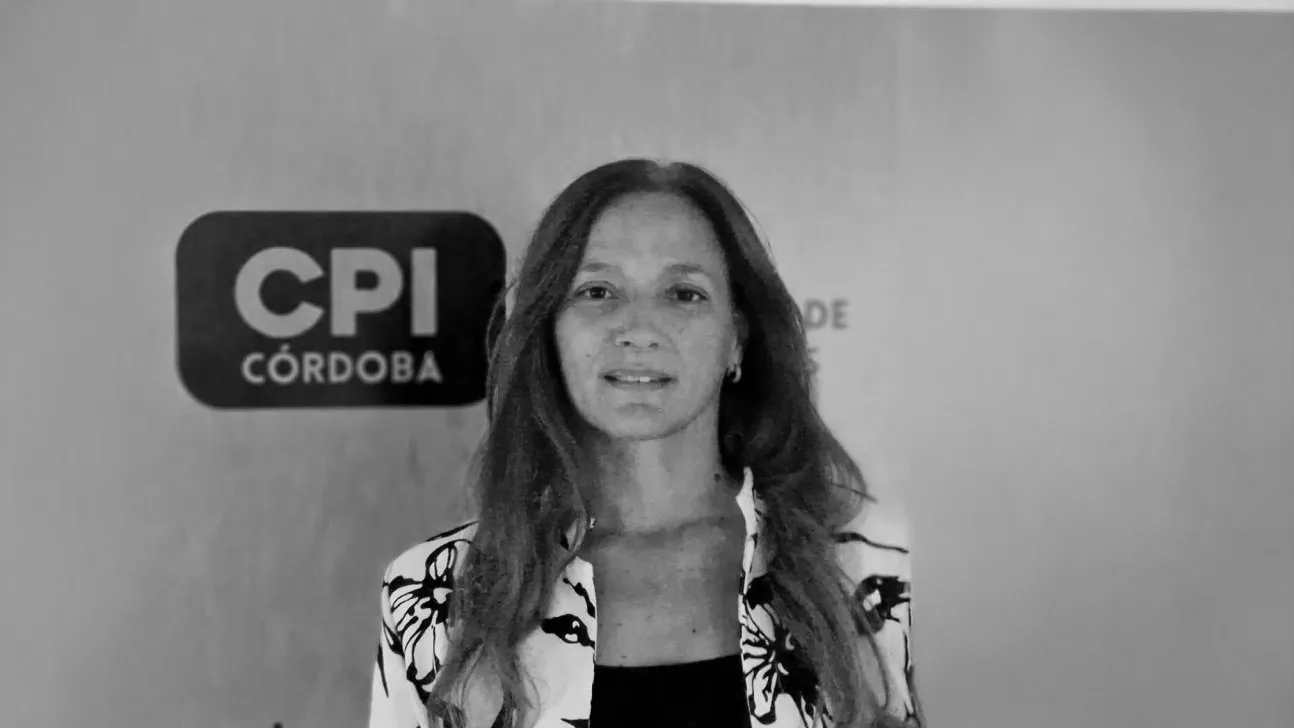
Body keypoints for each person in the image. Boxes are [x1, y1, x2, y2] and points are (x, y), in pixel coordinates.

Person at [368, 159, 923, 728]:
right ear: (549, 331)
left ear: (737, 338)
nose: (638, 329)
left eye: (684, 294)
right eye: (598, 290)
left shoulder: (876, 567)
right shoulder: (436, 592)